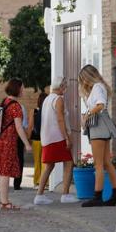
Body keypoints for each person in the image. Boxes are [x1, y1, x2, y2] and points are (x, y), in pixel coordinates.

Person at [78, 64, 116, 207]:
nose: (83, 82)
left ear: (88, 76)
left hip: (98, 126)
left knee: (99, 164)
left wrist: (87, 115)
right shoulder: (99, 87)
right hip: (102, 125)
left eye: (83, 79)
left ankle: (98, 196)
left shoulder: (97, 87)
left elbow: (100, 105)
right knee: (105, 163)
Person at [33, 77, 79, 205]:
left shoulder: (47, 99)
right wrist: (66, 138)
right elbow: (60, 120)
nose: (66, 88)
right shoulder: (59, 99)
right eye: (64, 86)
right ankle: (65, 194)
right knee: (69, 163)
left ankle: (40, 195)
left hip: (47, 137)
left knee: (49, 165)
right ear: (60, 86)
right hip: (57, 137)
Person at [0, 78, 32, 210]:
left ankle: (4, 200)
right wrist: (27, 143)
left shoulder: (4, 102)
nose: (23, 90)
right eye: (22, 88)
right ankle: (4, 202)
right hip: (7, 141)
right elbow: (19, 127)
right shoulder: (15, 106)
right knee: (5, 172)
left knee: (3, 171)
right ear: (18, 89)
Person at [27, 92, 48, 189]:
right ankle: (46, 183)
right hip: (46, 138)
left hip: (36, 139)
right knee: (45, 161)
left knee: (37, 162)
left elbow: (30, 125)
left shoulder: (33, 111)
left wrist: (27, 139)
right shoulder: (48, 110)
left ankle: (36, 182)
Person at [13, 104, 29, 190]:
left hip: (5, 137)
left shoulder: (1, 105)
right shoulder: (21, 107)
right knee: (19, 160)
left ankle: (0, 183)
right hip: (18, 137)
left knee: (5, 160)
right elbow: (24, 125)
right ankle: (17, 184)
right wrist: (27, 142)